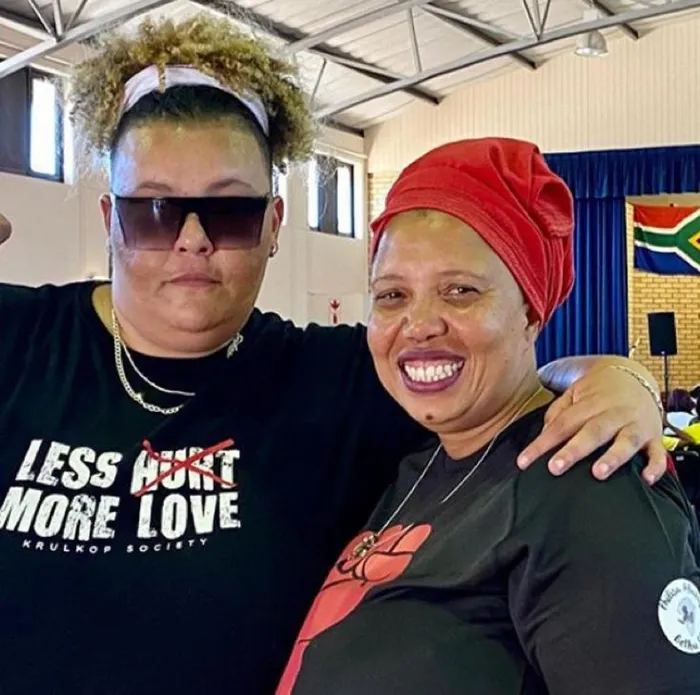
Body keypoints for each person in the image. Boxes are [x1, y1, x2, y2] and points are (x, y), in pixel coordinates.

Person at [0, 16, 666, 695]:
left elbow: (492, 388)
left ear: (274, 224)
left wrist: (621, 380)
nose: (192, 239)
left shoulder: (337, 381)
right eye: (155, 210)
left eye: (229, 212)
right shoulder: (16, 339)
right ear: (111, 219)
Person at [279, 138, 700, 695]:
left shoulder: (588, 485)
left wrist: (629, 379)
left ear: (530, 310)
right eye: (392, 295)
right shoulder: (418, 465)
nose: (419, 324)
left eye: (460, 291)